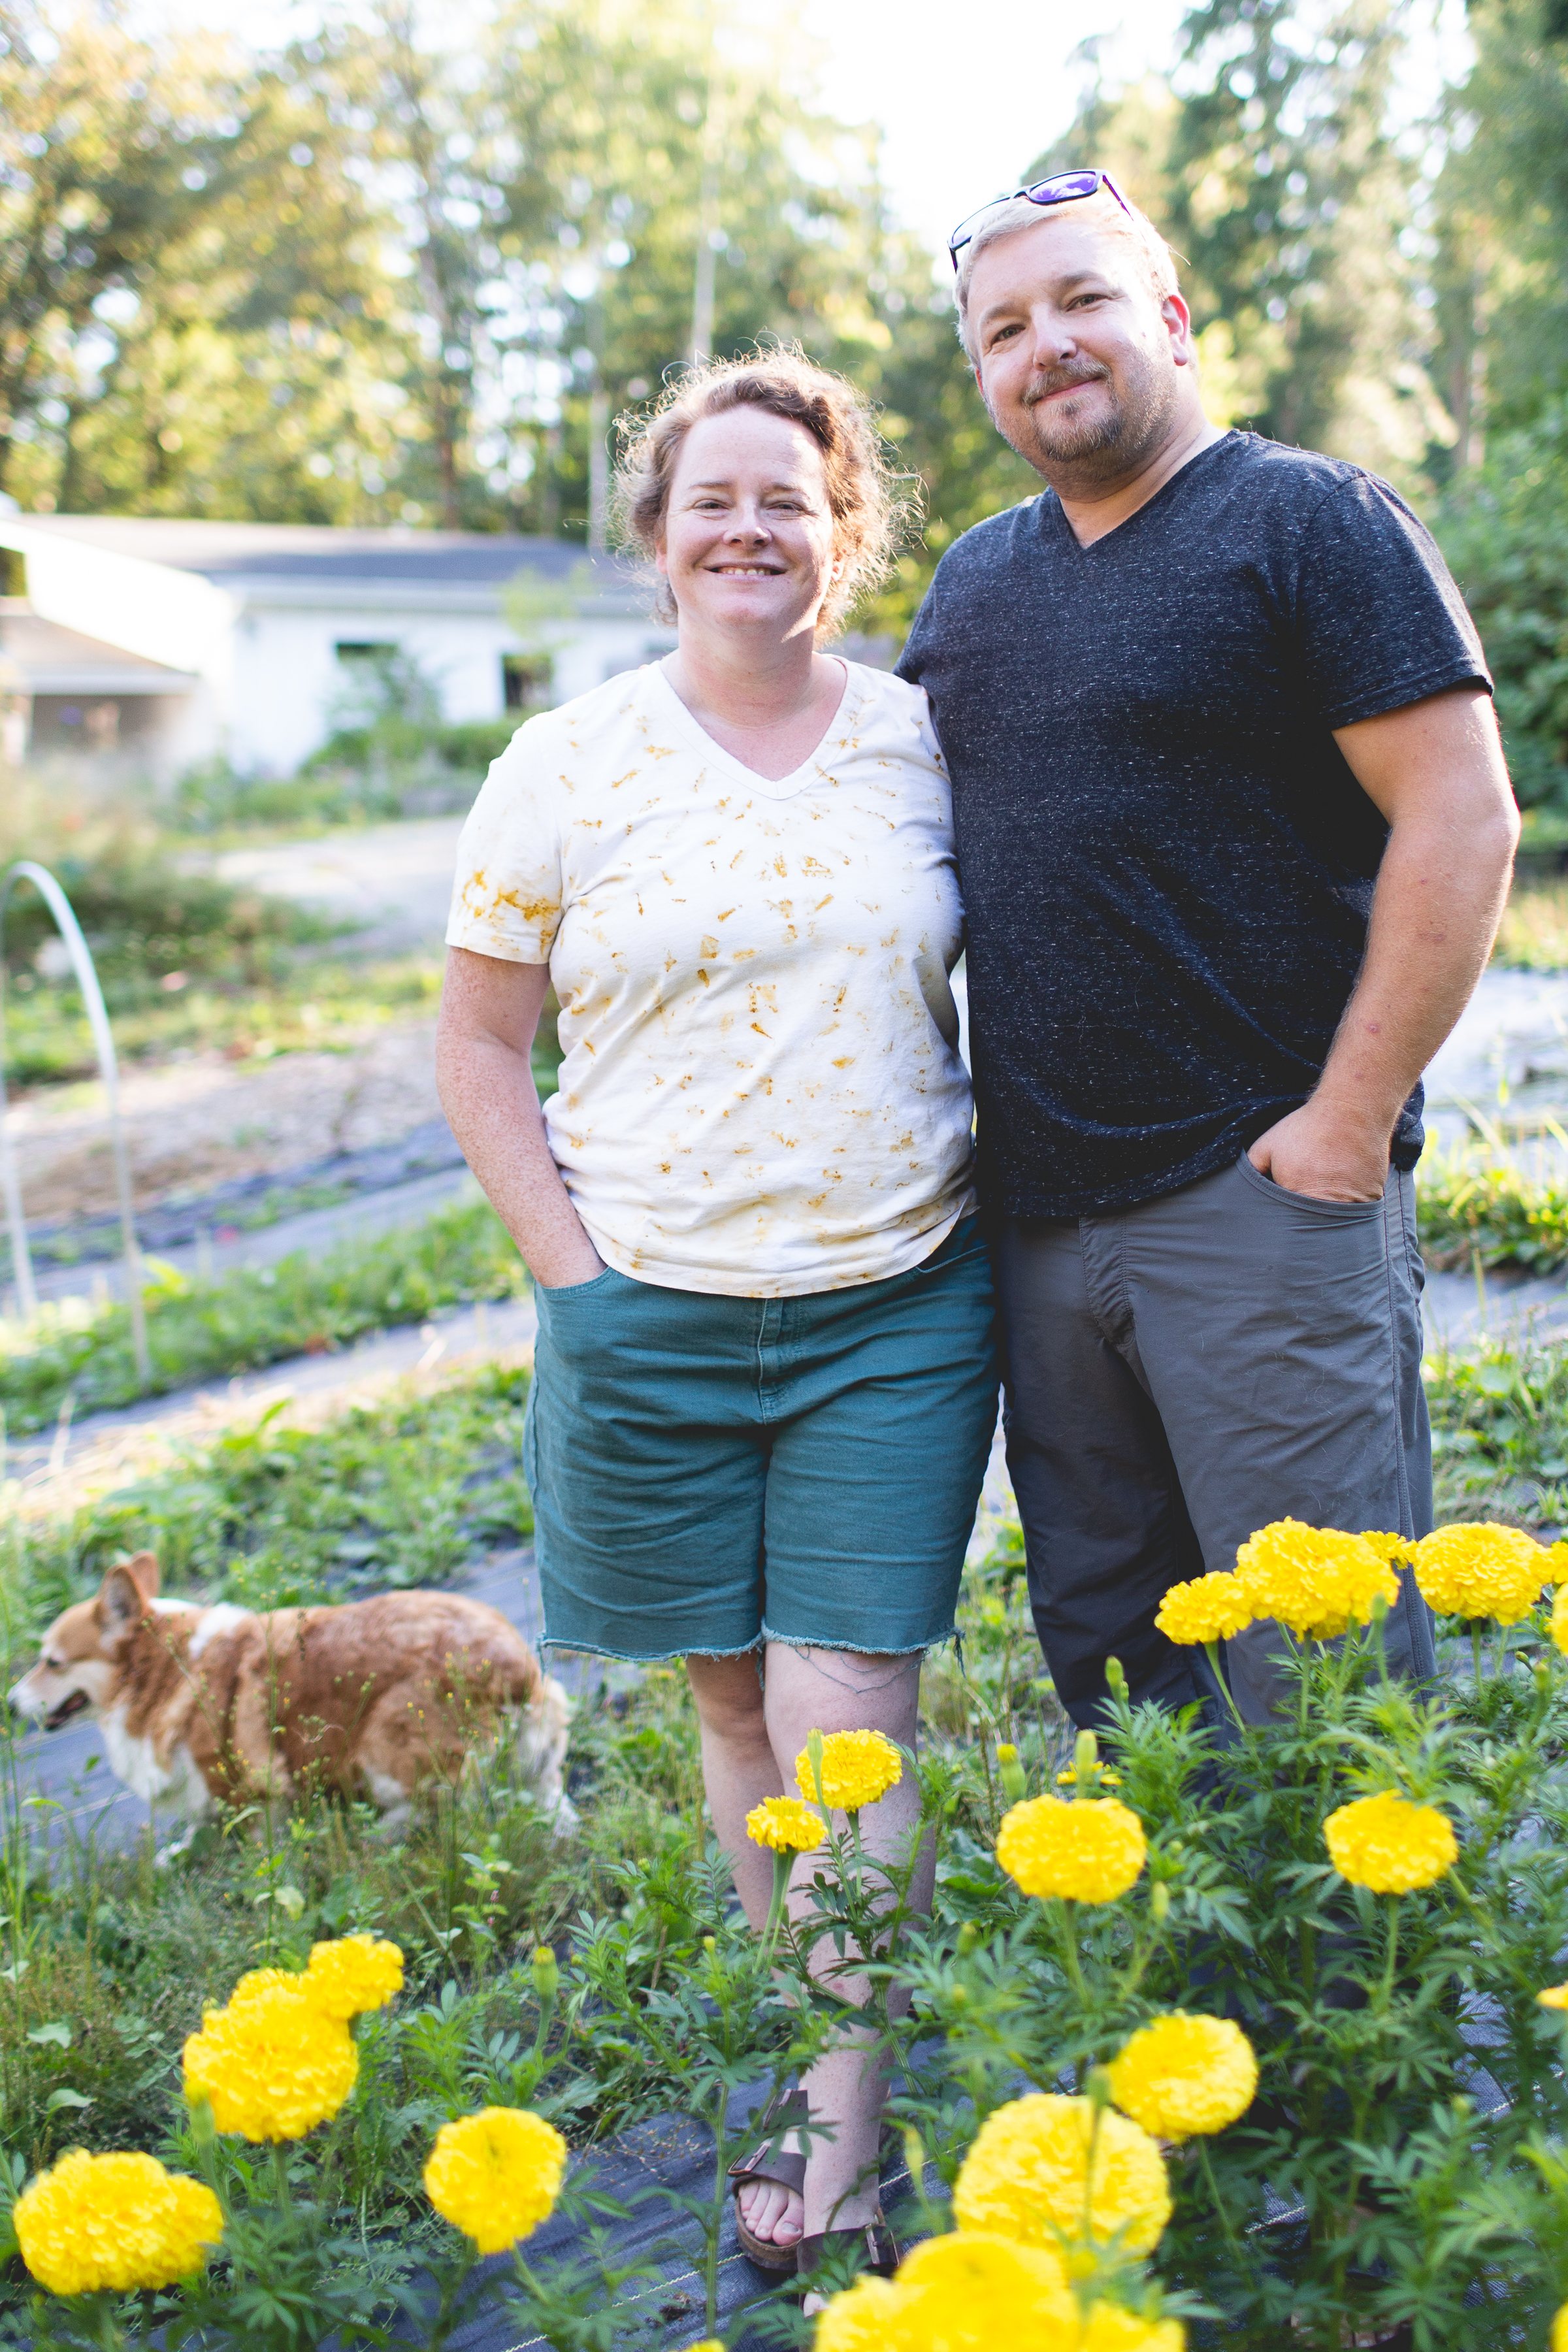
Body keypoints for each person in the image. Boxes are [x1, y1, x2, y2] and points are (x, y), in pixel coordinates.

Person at [436, 351, 998, 2289]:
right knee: (736, 1705)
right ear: (660, 536)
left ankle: (841, 2114)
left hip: (893, 1302)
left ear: (845, 532)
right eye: (713, 500)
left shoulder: (926, 742)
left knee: (850, 1712)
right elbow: (481, 1048)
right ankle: (796, 2035)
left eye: (789, 499)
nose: (750, 528)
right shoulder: (565, 763)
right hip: (647, 1316)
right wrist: (573, 1282)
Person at [896, 170, 1519, 1729]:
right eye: (1003, 328)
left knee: (1321, 1674)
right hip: (1039, 1225)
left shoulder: (1310, 521)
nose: (1047, 345)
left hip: (1261, 1196)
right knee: (1121, 1661)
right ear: (981, 375)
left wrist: (1348, 1124)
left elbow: (1462, 821)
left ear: (1171, 320)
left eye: (1083, 300)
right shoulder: (972, 586)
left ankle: (1345, 1911)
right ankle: (1177, 1911)